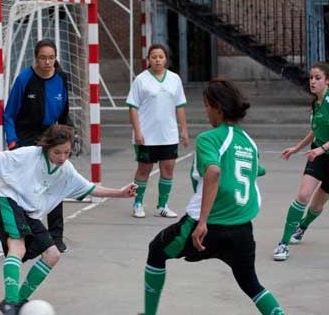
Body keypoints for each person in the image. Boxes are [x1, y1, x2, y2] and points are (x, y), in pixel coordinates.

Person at [0, 124, 137, 315]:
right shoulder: (29, 154)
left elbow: (90, 188)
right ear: (47, 147)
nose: (62, 157)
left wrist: (120, 193)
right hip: (9, 200)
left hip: (29, 211)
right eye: (57, 152)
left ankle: (18, 300)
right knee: (18, 247)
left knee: (53, 255)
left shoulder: (66, 169)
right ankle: (10, 305)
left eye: (67, 152)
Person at [139, 79, 285, 315]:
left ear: (217, 107)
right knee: (252, 285)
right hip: (241, 229)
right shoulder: (249, 142)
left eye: (206, 105)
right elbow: (258, 170)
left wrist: (203, 221)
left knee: (157, 251)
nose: (205, 110)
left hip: (206, 226)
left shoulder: (210, 138)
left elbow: (214, 172)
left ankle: (148, 313)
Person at [3, 38, 71, 252]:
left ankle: (56, 237)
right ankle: (24, 235)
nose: (47, 62)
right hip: (26, 134)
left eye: (51, 58)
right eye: (43, 58)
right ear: (36, 58)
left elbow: (64, 113)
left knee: (55, 182)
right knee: (26, 187)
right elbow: (9, 114)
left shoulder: (61, 78)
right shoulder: (24, 78)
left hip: (50, 133)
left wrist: (68, 135)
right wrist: (13, 142)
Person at [273, 61, 329, 261]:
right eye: (311, 78)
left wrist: (322, 149)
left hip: (323, 152)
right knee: (303, 196)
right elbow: (316, 130)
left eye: (317, 78)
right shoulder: (316, 103)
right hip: (318, 154)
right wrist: (297, 148)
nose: (312, 82)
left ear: (327, 81)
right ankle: (283, 244)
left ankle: (302, 226)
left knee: (316, 206)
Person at [126, 43, 189, 219]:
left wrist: (184, 130)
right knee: (143, 170)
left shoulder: (174, 79)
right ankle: (137, 203)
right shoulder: (141, 79)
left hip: (168, 134)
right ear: (149, 59)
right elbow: (132, 107)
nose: (157, 60)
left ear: (166, 59)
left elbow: (180, 106)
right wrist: (137, 131)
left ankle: (163, 205)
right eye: (153, 57)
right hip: (147, 135)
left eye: (160, 56)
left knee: (168, 170)